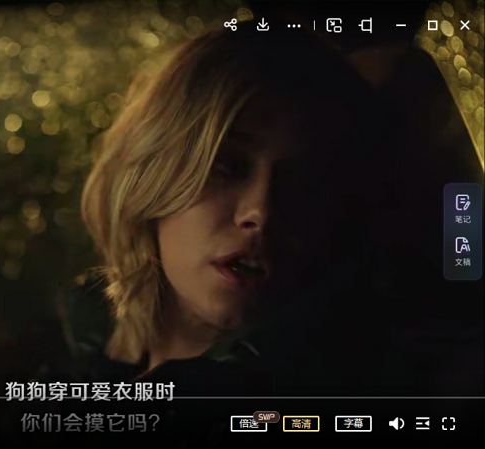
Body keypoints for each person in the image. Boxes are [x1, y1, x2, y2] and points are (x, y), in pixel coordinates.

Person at [65, 21, 382, 398]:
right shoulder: (74, 343)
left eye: (302, 183)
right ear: (151, 171)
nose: (260, 213)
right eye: (226, 166)